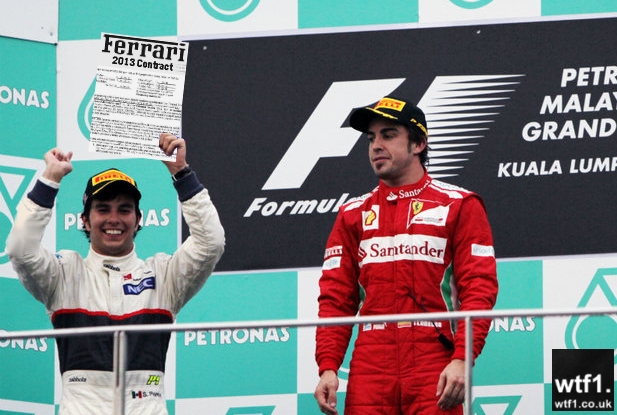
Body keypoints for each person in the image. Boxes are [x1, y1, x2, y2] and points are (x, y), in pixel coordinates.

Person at [6, 133, 225, 415]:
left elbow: (211, 243)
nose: (114, 219)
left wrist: (181, 173)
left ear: (138, 220)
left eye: (124, 210)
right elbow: (20, 249)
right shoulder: (65, 274)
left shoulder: (163, 274)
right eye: (102, 209)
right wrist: (49, 180)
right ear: (85, 221)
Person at [313, 96, 498, 415]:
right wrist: (328, 366)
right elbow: (335, 299)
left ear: (418, 144)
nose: (376, 146)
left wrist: (462, 358)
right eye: (371, 138)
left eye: (388, 135)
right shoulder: (352, 214)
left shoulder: (459, 205)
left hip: (433, 359)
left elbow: (479, 289)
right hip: (371, 363)